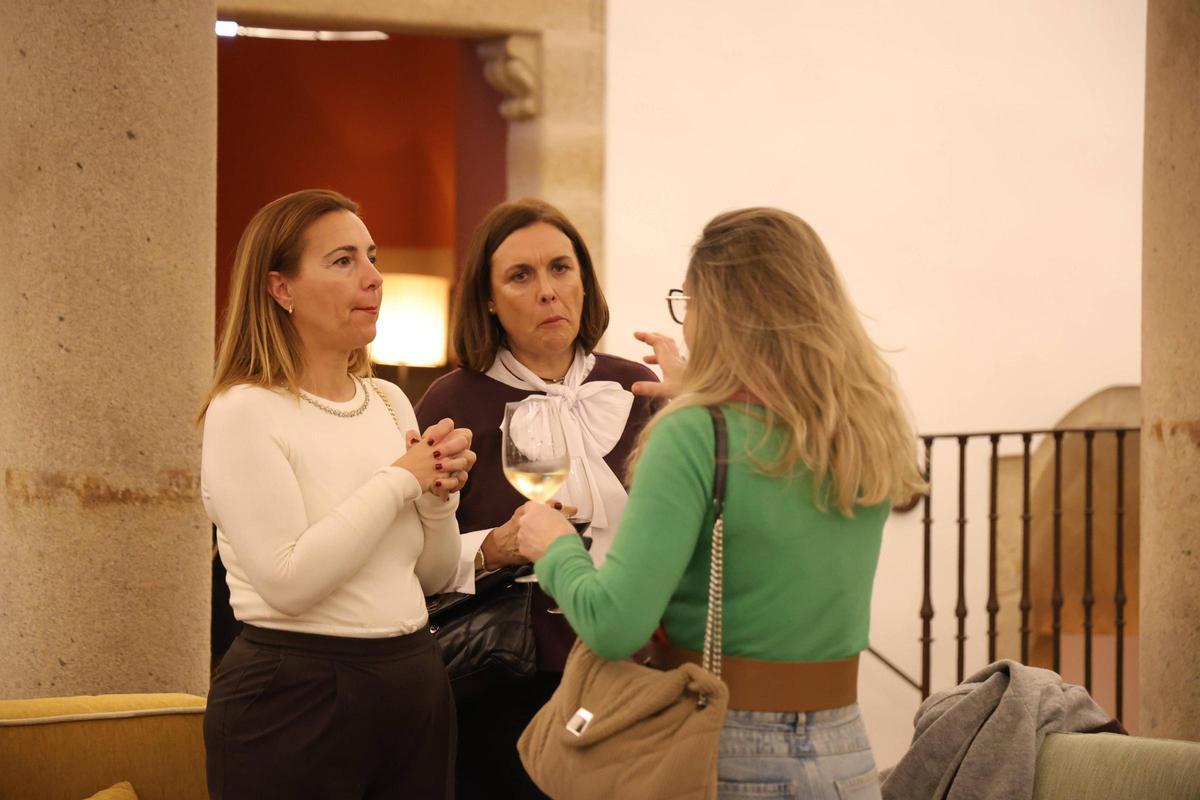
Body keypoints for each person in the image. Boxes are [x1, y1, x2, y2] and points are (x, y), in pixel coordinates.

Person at [517, 207, 926, 799]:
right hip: (845, 754)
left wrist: (554, 549)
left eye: (690, 303)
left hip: (724, 749)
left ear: (720, 311)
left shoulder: (695, 434)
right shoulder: (863, 425)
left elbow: (613, 625)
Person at [199, 189, 475, 799]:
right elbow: (288, 581)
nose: (374, 278)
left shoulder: (388, 400)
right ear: (281, 289)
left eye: (371, 257)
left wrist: (437, 500)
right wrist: (403, 477)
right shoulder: (244, 411)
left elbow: (430, 577)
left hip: (413, 682)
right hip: (294, 697)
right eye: (343, 260)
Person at [415, 198, 661, 799]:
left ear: (584, 281)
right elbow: (407, 557)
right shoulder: (450, 403)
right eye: (521, 276)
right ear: (489, 300)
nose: (548, 291)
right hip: (502, 674)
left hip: (631, 669)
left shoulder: (644, 391)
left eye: (561, 268)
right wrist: (495, 548)